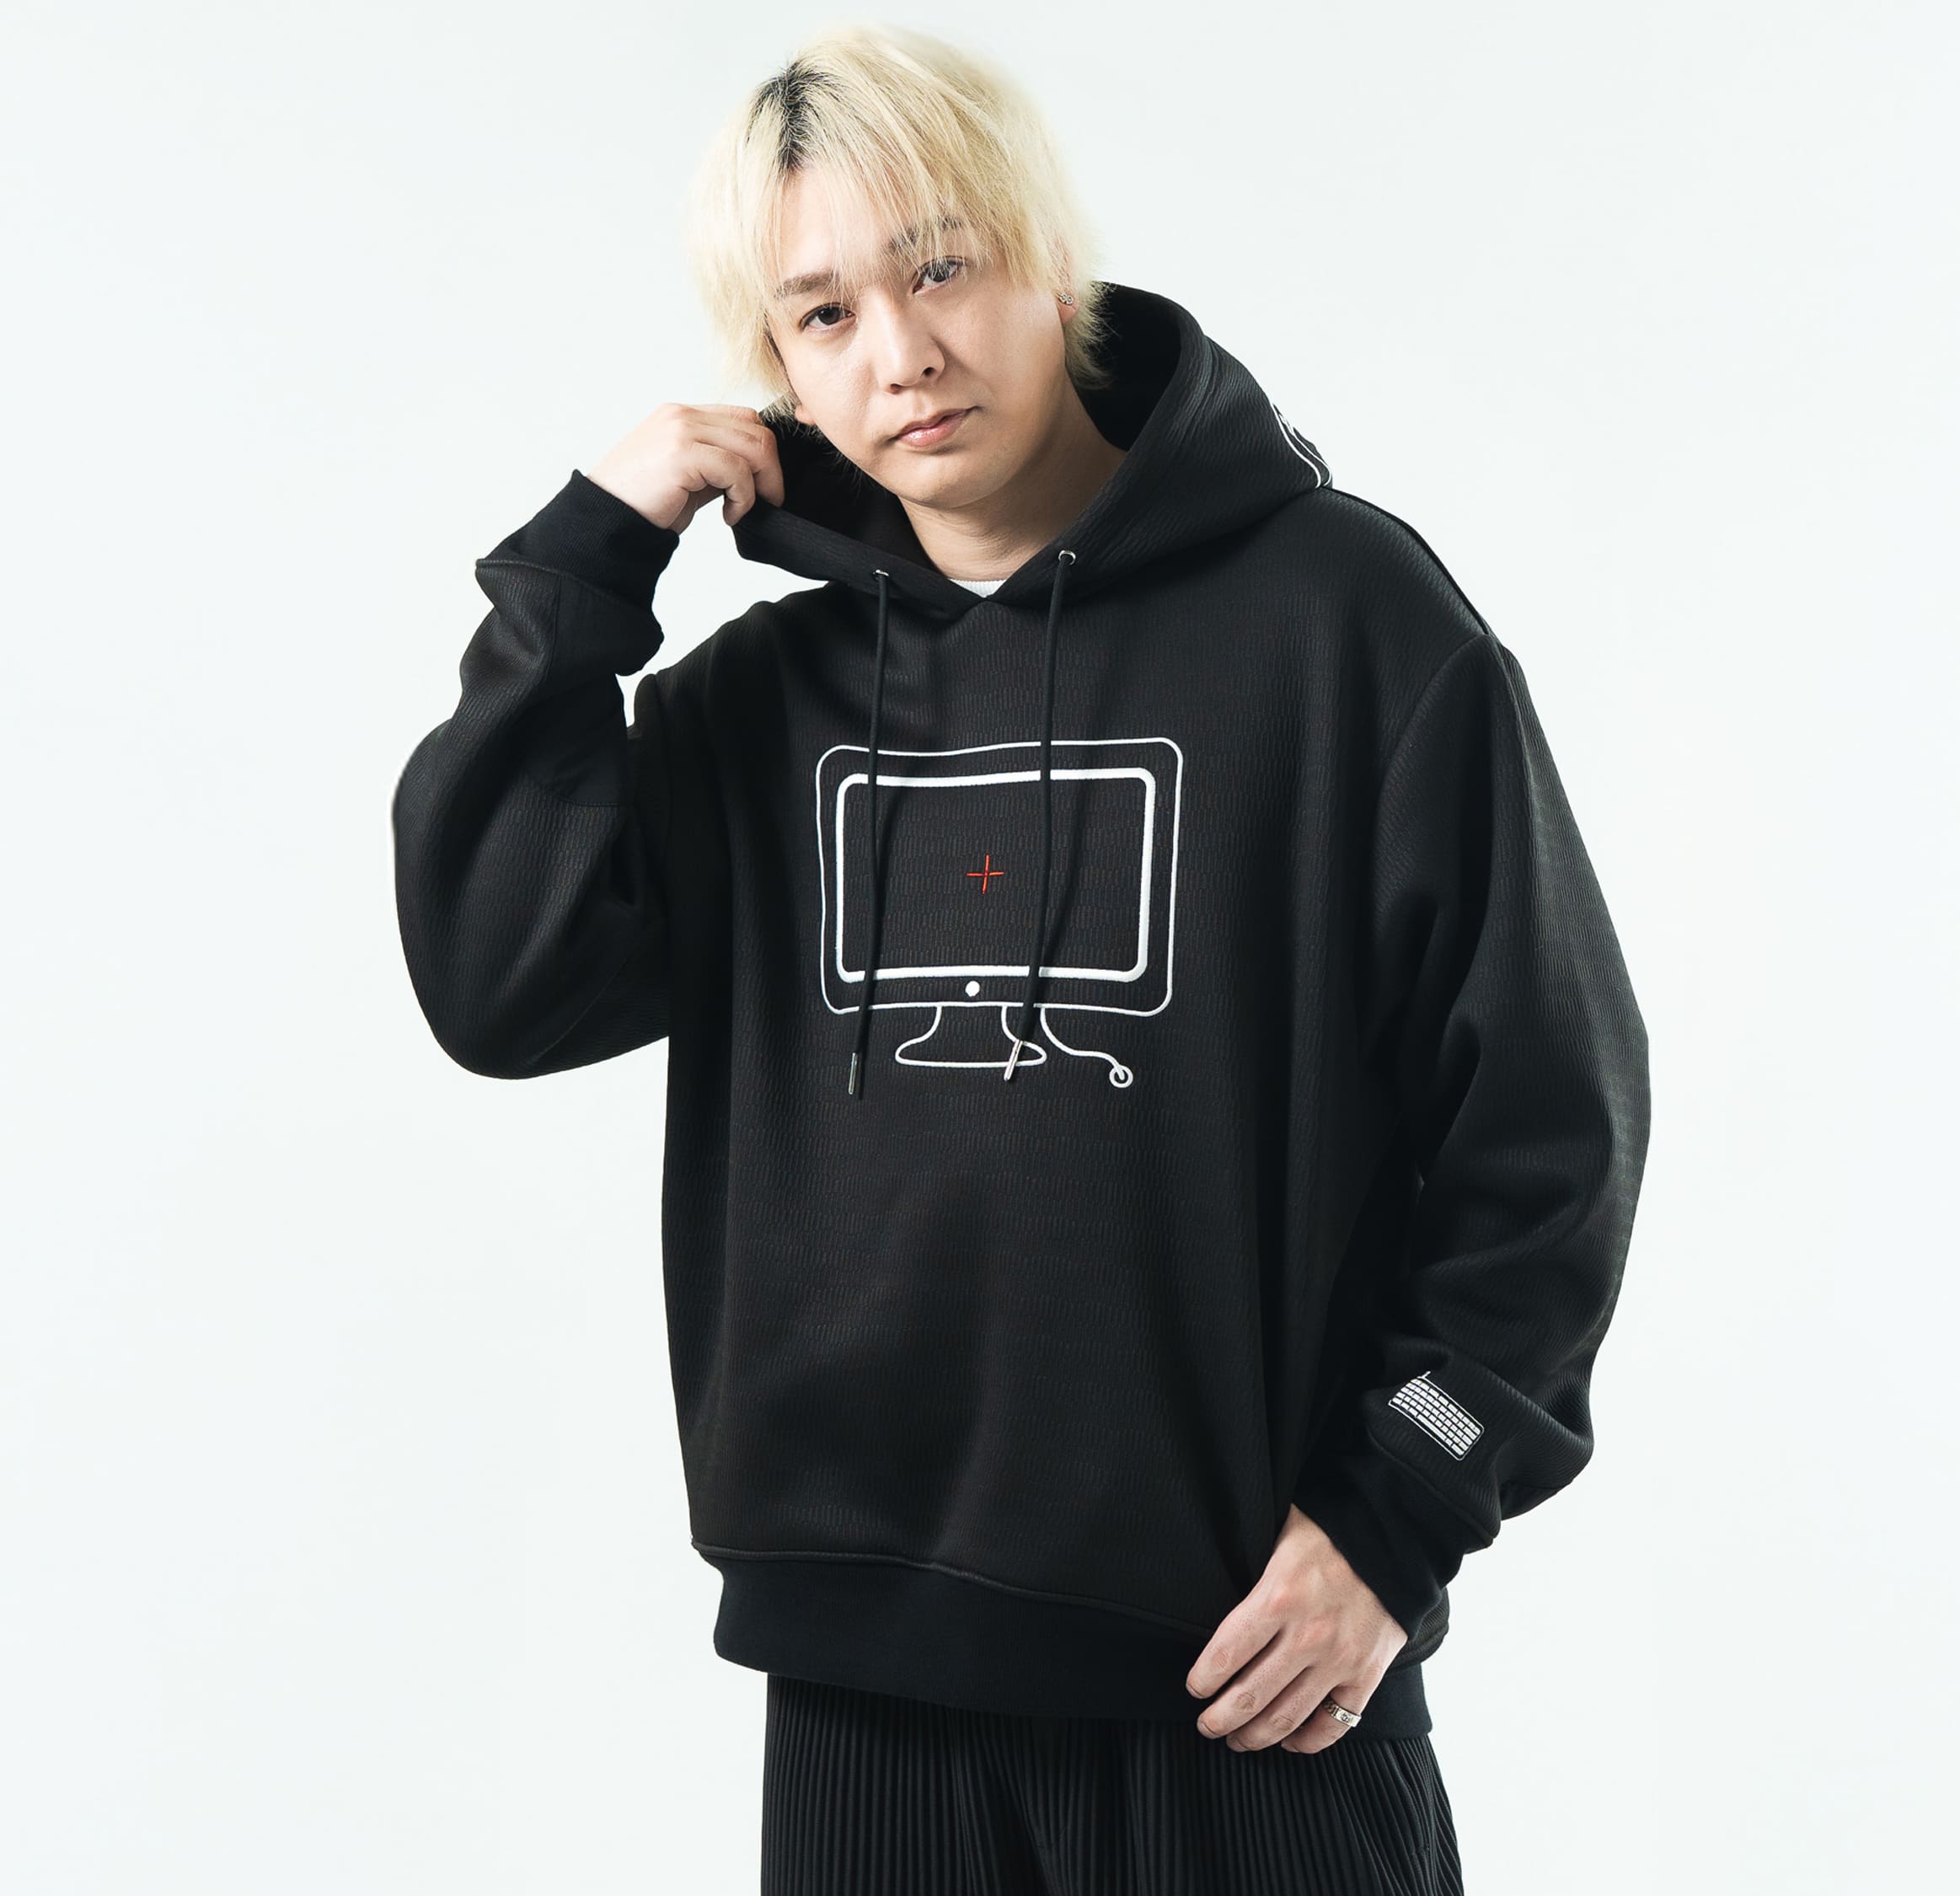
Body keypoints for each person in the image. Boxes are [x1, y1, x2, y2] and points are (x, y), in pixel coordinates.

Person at [389, 25, 1649, 1894]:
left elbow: (1551, 1128)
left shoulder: (1346, 625)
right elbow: (499, 980)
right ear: (777, 368)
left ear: (1048, 261)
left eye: (940, 268)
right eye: (822, 313)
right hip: (858, 1695)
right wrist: (578, 576)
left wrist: (1400, 1511)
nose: (897, 352)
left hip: (1251, 1692)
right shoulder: (760, 705)